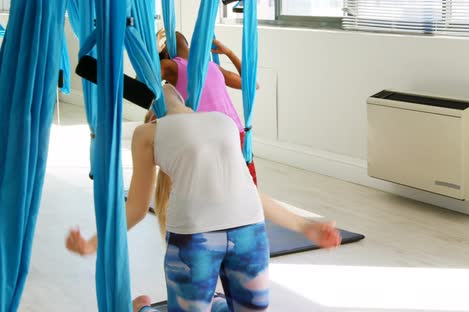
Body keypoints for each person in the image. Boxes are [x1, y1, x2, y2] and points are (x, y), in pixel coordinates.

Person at [66, 84, 342, 312]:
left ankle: (192, 306)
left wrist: (306, 226)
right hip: (198, 237)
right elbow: (137, 207)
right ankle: (143, 310)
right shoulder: (151, 131)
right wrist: (93, 243)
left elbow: (249, 191)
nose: (167, 85)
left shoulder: (218, 122)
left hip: (247, 230)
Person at [153, 29, 260, 184]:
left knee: (217, 191)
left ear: (165, 49)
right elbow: (252, 84)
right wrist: (228, 52)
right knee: (248, 189)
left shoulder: (170, 66)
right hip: (236, 133)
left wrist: (153, 53)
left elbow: (142, 87)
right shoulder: (211, 66)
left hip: (210, 139)